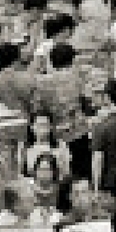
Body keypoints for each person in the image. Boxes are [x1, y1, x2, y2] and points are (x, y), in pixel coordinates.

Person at [33, 42, 90, 175]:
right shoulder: (78, 77)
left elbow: (38, 108)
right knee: (81, 170)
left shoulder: (41, 82)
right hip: (78, 130)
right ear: (71, 59)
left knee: (56, 170)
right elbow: (87, 102)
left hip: (54, 133)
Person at [21, 113, 74, 182]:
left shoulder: (61, 146)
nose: (42, 129)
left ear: (51, 127)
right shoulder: (25, 148)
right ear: (32, 127)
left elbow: (67, 172)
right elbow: (22, 174)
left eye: (45, 125)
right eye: (39, 125)